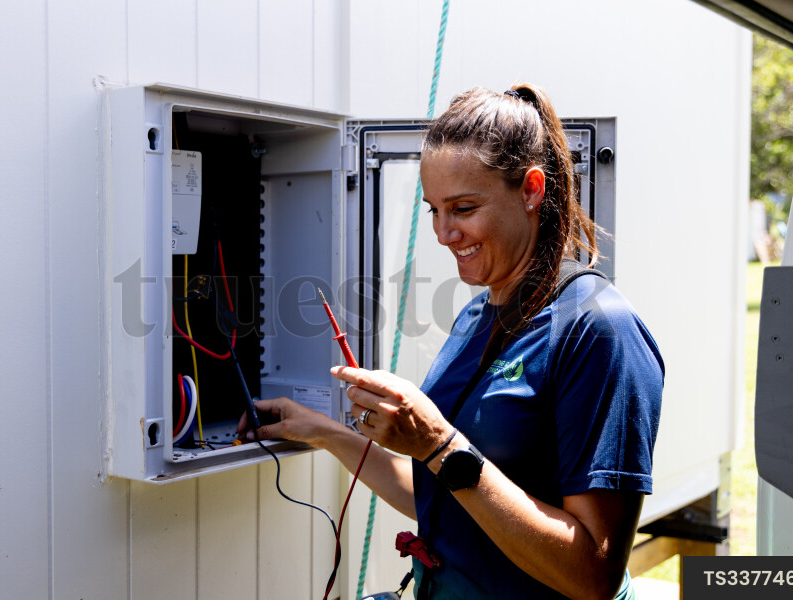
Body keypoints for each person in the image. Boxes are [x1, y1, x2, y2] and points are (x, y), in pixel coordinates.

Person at [238, 82, 664, 600]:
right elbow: (446, 495)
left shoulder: (597, 329)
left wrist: (440, 445)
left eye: (462, 208)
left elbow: (593, 573)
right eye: (432, 210)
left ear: (531, 189)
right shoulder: (479, 313)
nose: (443, 233)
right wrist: (325, 433)